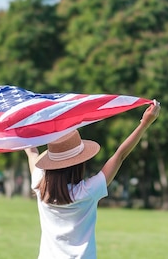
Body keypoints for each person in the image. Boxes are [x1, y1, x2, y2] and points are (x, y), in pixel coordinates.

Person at [24, 100, 160, 259]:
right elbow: (119, 156)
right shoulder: (87, 192)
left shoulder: (39, 185)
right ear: (79, 164)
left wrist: (23, 124)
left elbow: (32, 152)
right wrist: (144, 124)